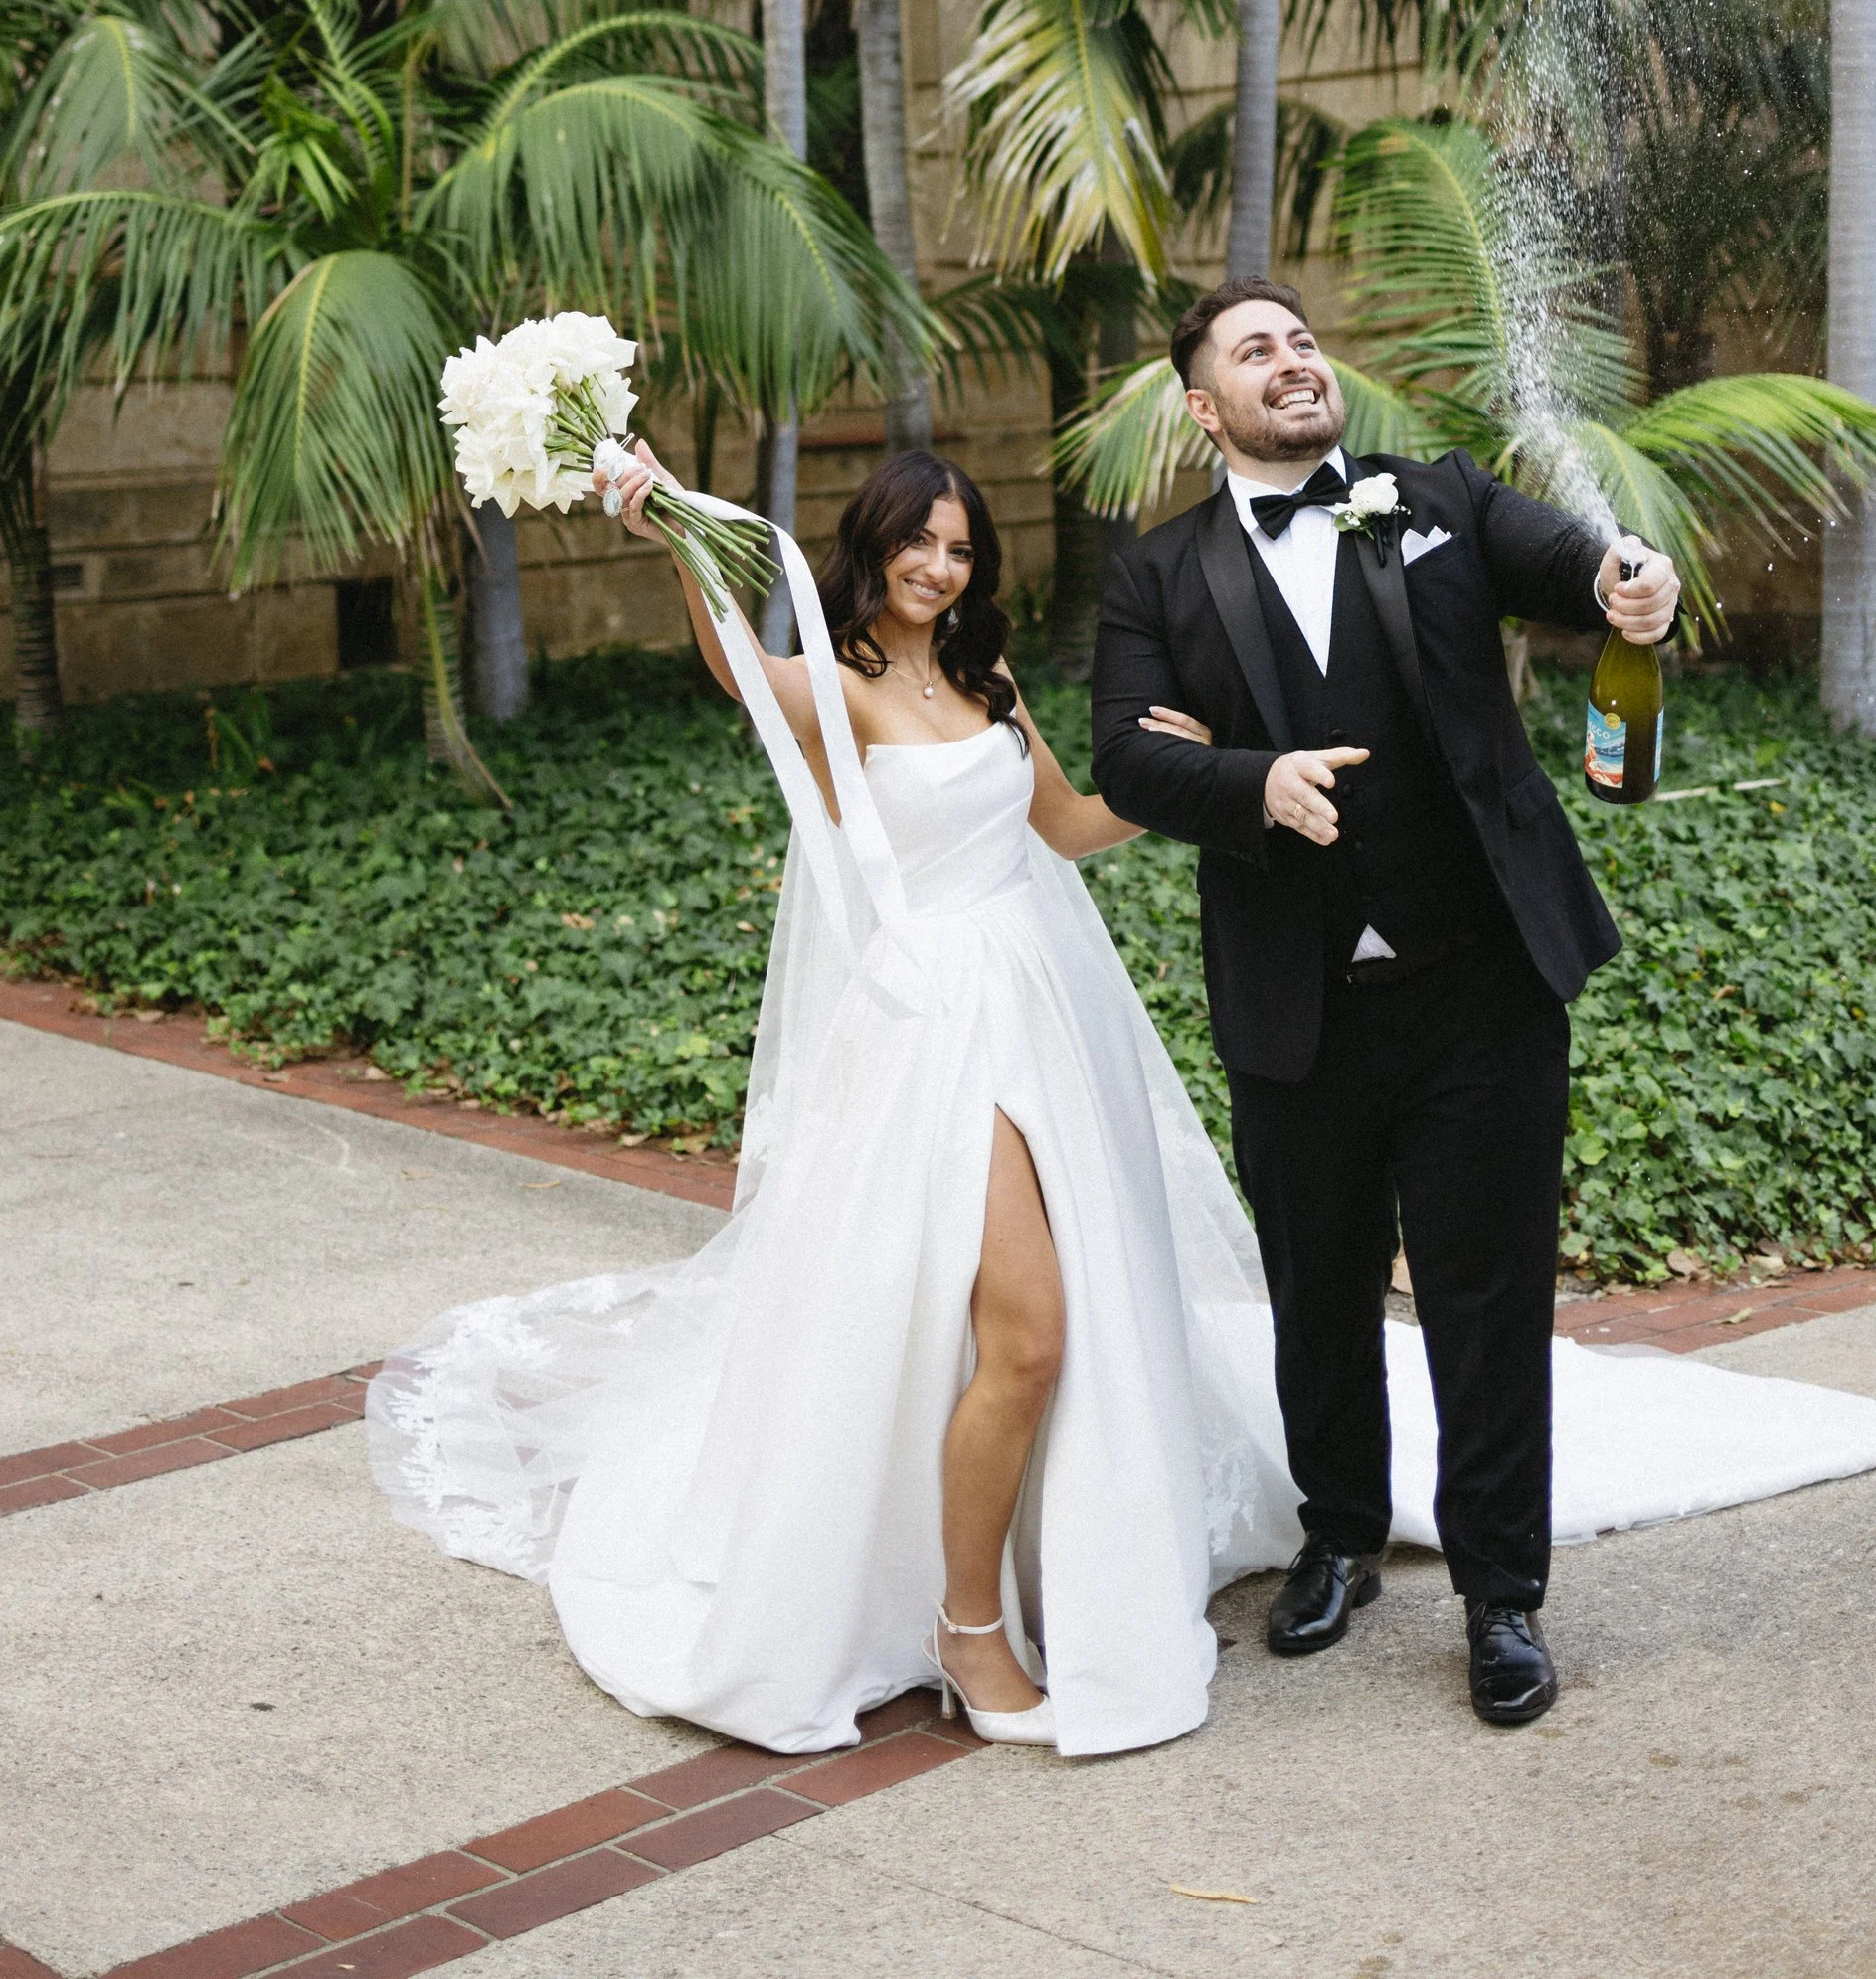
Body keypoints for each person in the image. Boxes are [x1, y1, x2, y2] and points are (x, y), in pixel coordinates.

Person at [366, 447, 1303, 1760]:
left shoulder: (987, 681)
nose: (939, 566)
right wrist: (672, 535)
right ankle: (965, 1627)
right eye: (917, 542)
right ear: (871, 550)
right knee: (1026, 1332)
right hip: (931, 1024)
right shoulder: (841, 686)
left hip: (1037, 1004)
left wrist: (1181, 771)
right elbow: (737, 673)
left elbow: (1065, 829)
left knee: (1032, 1328)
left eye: (961, 547)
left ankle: (1027, 1579)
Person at [1089, 281, 1680, 1730]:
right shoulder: (1155, 577)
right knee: (1320, 1294)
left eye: (1300, 340)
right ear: (1202, 407)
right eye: (1254, 351)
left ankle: (1501, 1599)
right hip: (1298, 1002)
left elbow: (1585, 572)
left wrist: (1631, 582)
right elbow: (1120, 756)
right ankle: (1341, 1534)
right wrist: (1248, 782)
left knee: (1486, 1297)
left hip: (1480, 983)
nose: (1291, 361)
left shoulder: (1443, 500)